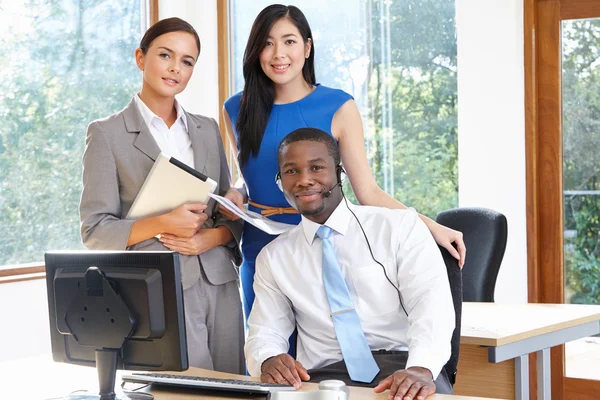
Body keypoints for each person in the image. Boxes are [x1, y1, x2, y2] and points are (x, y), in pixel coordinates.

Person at [221, 4, 465, 321]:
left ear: (307, 47)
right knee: (271, 355)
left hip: (325, 243)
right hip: (259, 245)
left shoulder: (338, 106)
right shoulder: (234, 109)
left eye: (289, 41)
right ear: (256, 51)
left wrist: (430, 227)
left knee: (326, 353)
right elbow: (255, 173)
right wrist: (238, 192)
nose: (278, 53)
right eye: (267, 43)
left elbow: (368, 192)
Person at [79, 17, 244, 374]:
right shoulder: (107, 134)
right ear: (141, 58)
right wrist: (162, 223)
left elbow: (227, 213)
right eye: (165, 55)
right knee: (185, 391)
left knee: (236, 386)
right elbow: (95, 231)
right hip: (160, 284)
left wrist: (211, 237)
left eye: (187, 61)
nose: (175, 68)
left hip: (220, 282)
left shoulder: (207, 129)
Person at [245, 128, 455, 400]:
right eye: (291, 171)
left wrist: (421, 368)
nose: (304, 180)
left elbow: (431, 307)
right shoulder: (274, 257)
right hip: (321, 380)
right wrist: (268, 359)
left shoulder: (398, 226)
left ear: (339, 173)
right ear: (280, 181)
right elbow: (265, 331)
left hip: (404, 369)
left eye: (317, 167)